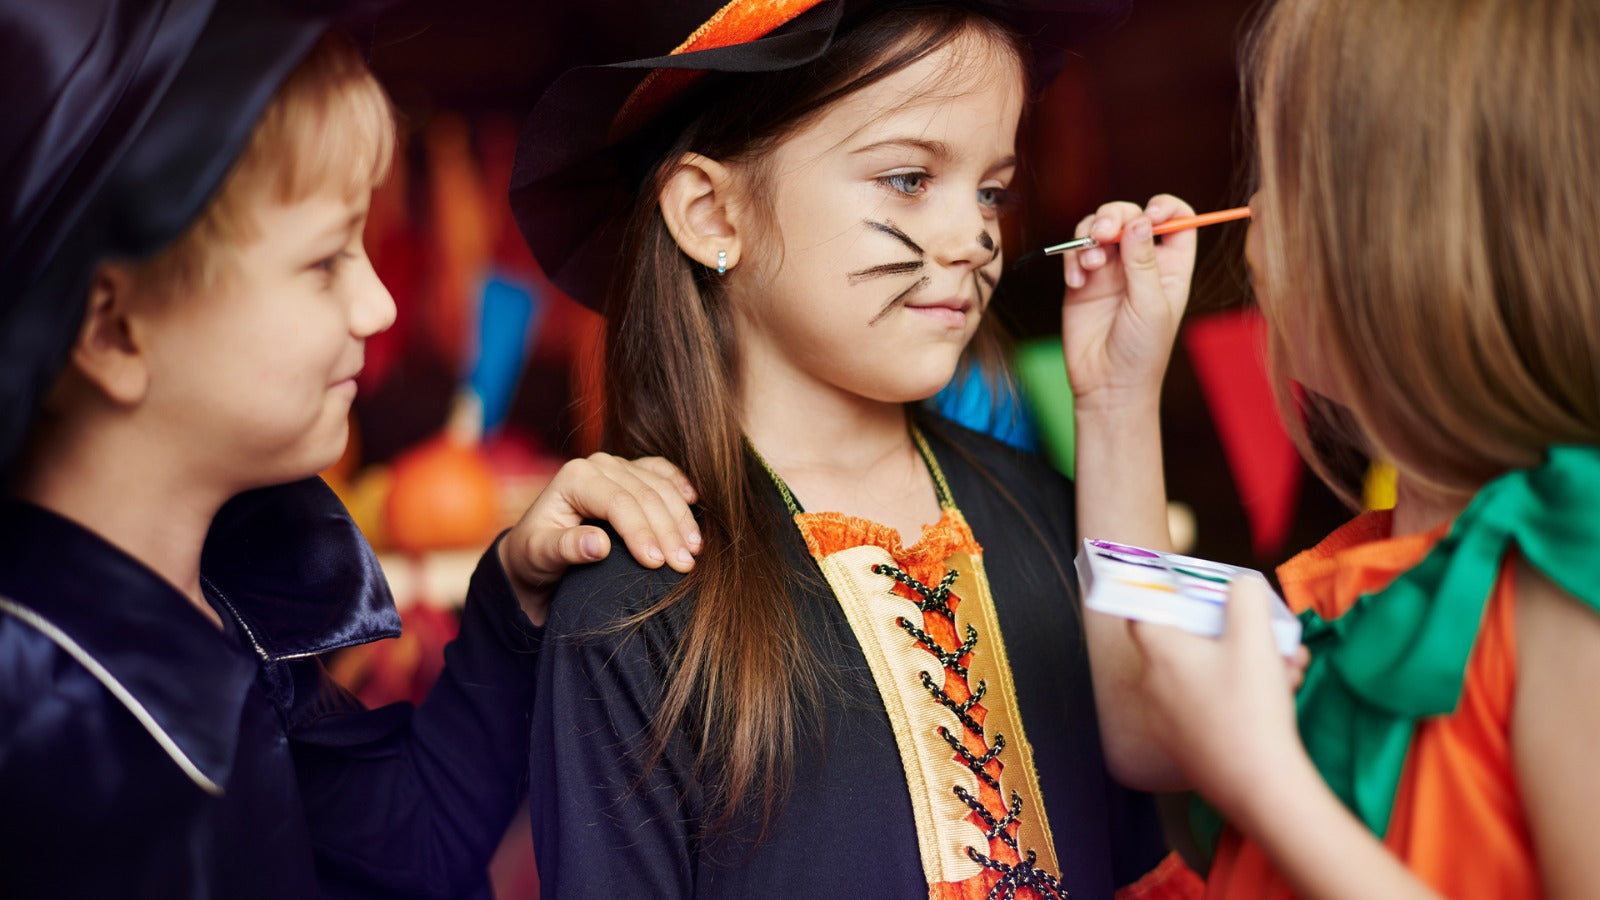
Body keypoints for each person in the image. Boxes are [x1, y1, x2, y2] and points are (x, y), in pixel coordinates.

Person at [0, 3, 700, 897]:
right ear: (116, 331)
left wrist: (514, 598)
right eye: (326, 261)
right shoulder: (35, 716)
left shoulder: (231, 608)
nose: (380, 308)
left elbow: (409, 848)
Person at [510, 1, 1205, 896]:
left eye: (992, 189)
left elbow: (1164, 755)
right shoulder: (634, 602)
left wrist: (1117, 401)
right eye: (910, 178)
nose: (974, 238)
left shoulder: (1043, 511)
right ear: (714, 215)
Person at [1085, 0, 1600, 896]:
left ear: (1409, 239)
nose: (1249, 213)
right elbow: (1141, 721)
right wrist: (1116, 395)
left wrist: (1265, 782)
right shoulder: (1355, 573)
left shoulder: (1570, 570)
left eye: (1284, 173)